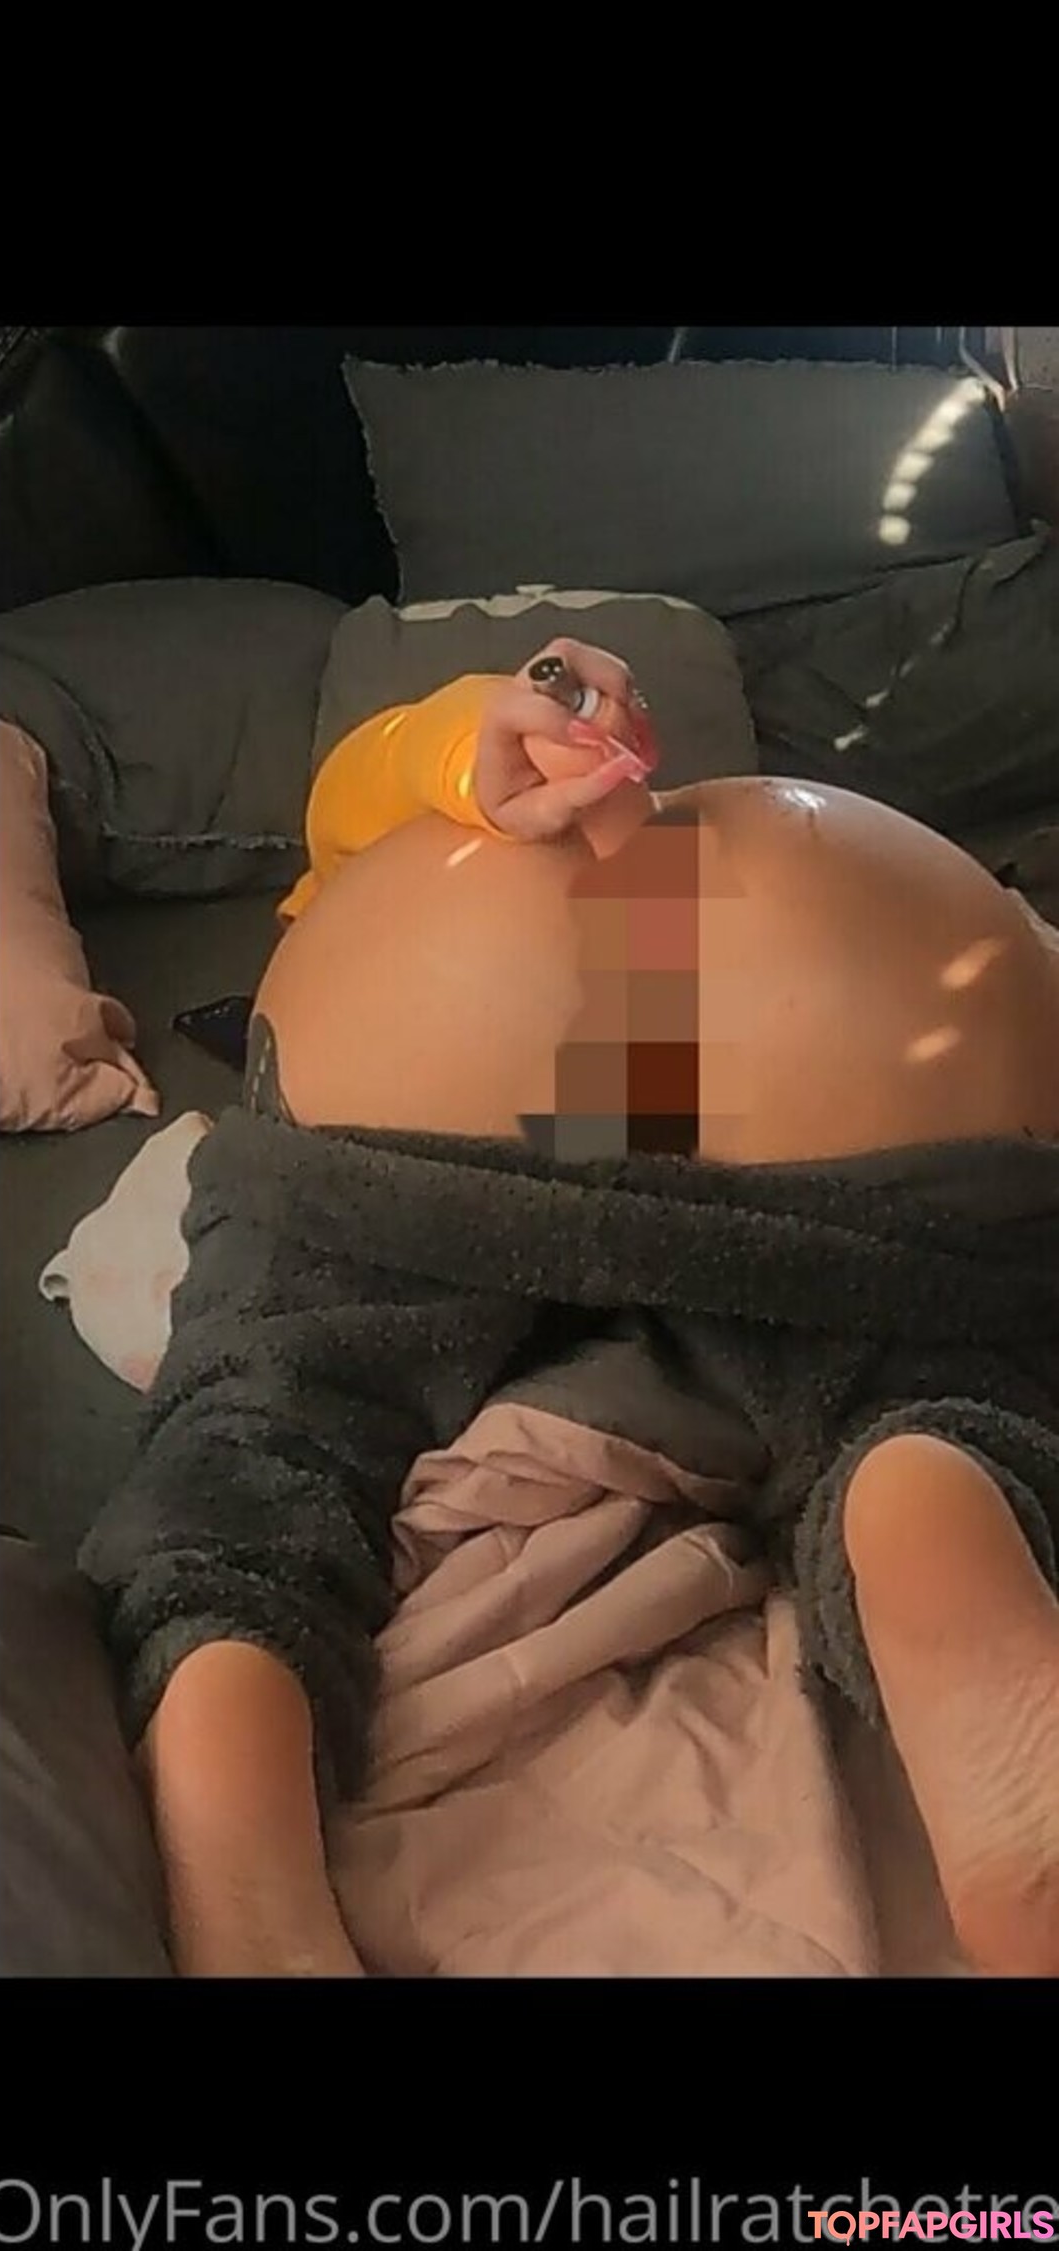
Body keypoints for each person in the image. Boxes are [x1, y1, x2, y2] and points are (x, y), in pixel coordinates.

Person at [79, 640, 1059, 1980]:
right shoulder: (786, 837)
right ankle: (930, 1480)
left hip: (440, 1052)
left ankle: (226, 1733)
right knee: (923, 1358)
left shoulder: (425, 840)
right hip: (841, 1026)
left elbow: (356, 802)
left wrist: (450, 745)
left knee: (265, 1434)